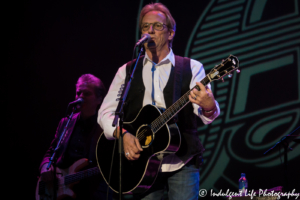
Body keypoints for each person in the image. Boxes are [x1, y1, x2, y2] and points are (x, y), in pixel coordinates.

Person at [98, 3, 220, 200]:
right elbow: (105, 112)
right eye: (145, 27)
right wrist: (124, 135)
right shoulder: (126, 71)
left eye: (157, 26)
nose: (150, 31)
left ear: (171, 33)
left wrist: (209, 106)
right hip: (141, 166)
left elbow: (204, 113)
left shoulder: (192, 67)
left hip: (182, 160)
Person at [39, 74, 112, 200]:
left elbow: (109, 165)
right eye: (78, 93)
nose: (80, 97)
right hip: (59, 189)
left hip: (91, 192)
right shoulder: (65, 123)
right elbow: (51, 152)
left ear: (99, 99)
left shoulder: (105, 127)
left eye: (87, 94)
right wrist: (45, 166)